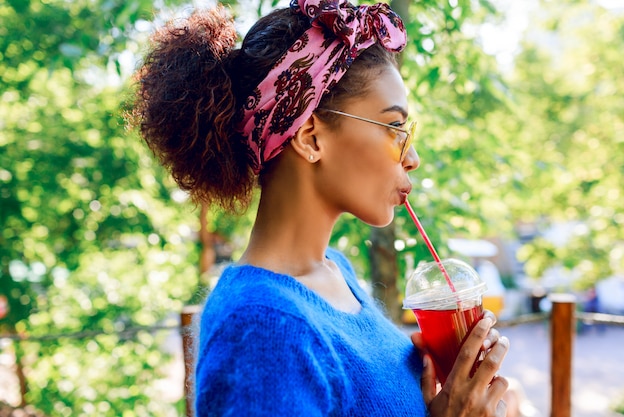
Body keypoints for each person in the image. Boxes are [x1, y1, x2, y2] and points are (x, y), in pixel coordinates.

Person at [131, 0, 510, 415]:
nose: (412, 156)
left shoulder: (335, 270)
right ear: (310, 136)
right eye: (396, 127)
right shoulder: (260, 326)